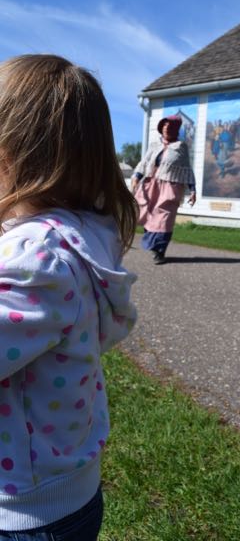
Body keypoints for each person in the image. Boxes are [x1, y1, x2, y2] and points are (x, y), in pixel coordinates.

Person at [0, 54, 138, 540]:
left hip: (23, 511)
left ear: (8, 155)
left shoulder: (36, 260)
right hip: (64, 492)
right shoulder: (81, 237)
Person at [131, 115, 196, 264]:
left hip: (170, 187)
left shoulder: (181, 146)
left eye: (170, 126)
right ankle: (155, 246)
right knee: (149, 216)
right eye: (164, 126)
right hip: (150, 185)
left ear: (175, 129)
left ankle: (160, 251)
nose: (166, 128)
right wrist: (136, 176)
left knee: (164, 219)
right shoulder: (154, 145)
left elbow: (186, 169)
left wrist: (192, 190)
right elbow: (145, 162)